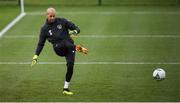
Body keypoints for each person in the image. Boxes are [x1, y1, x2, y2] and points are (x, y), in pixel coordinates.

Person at [31, 7, 88, 95]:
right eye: (51, 16)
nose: (52, 18)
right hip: (58, 48)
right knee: (65, 42)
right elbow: (40, 44)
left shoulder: (62, 21)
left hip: (70, 47)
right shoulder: (44, 29)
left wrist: (74, 32)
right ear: (46, 15)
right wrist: (35, 56)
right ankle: (78, 48)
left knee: (70, 66)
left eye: (54, 16)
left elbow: (77, 28)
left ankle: (65, 88)